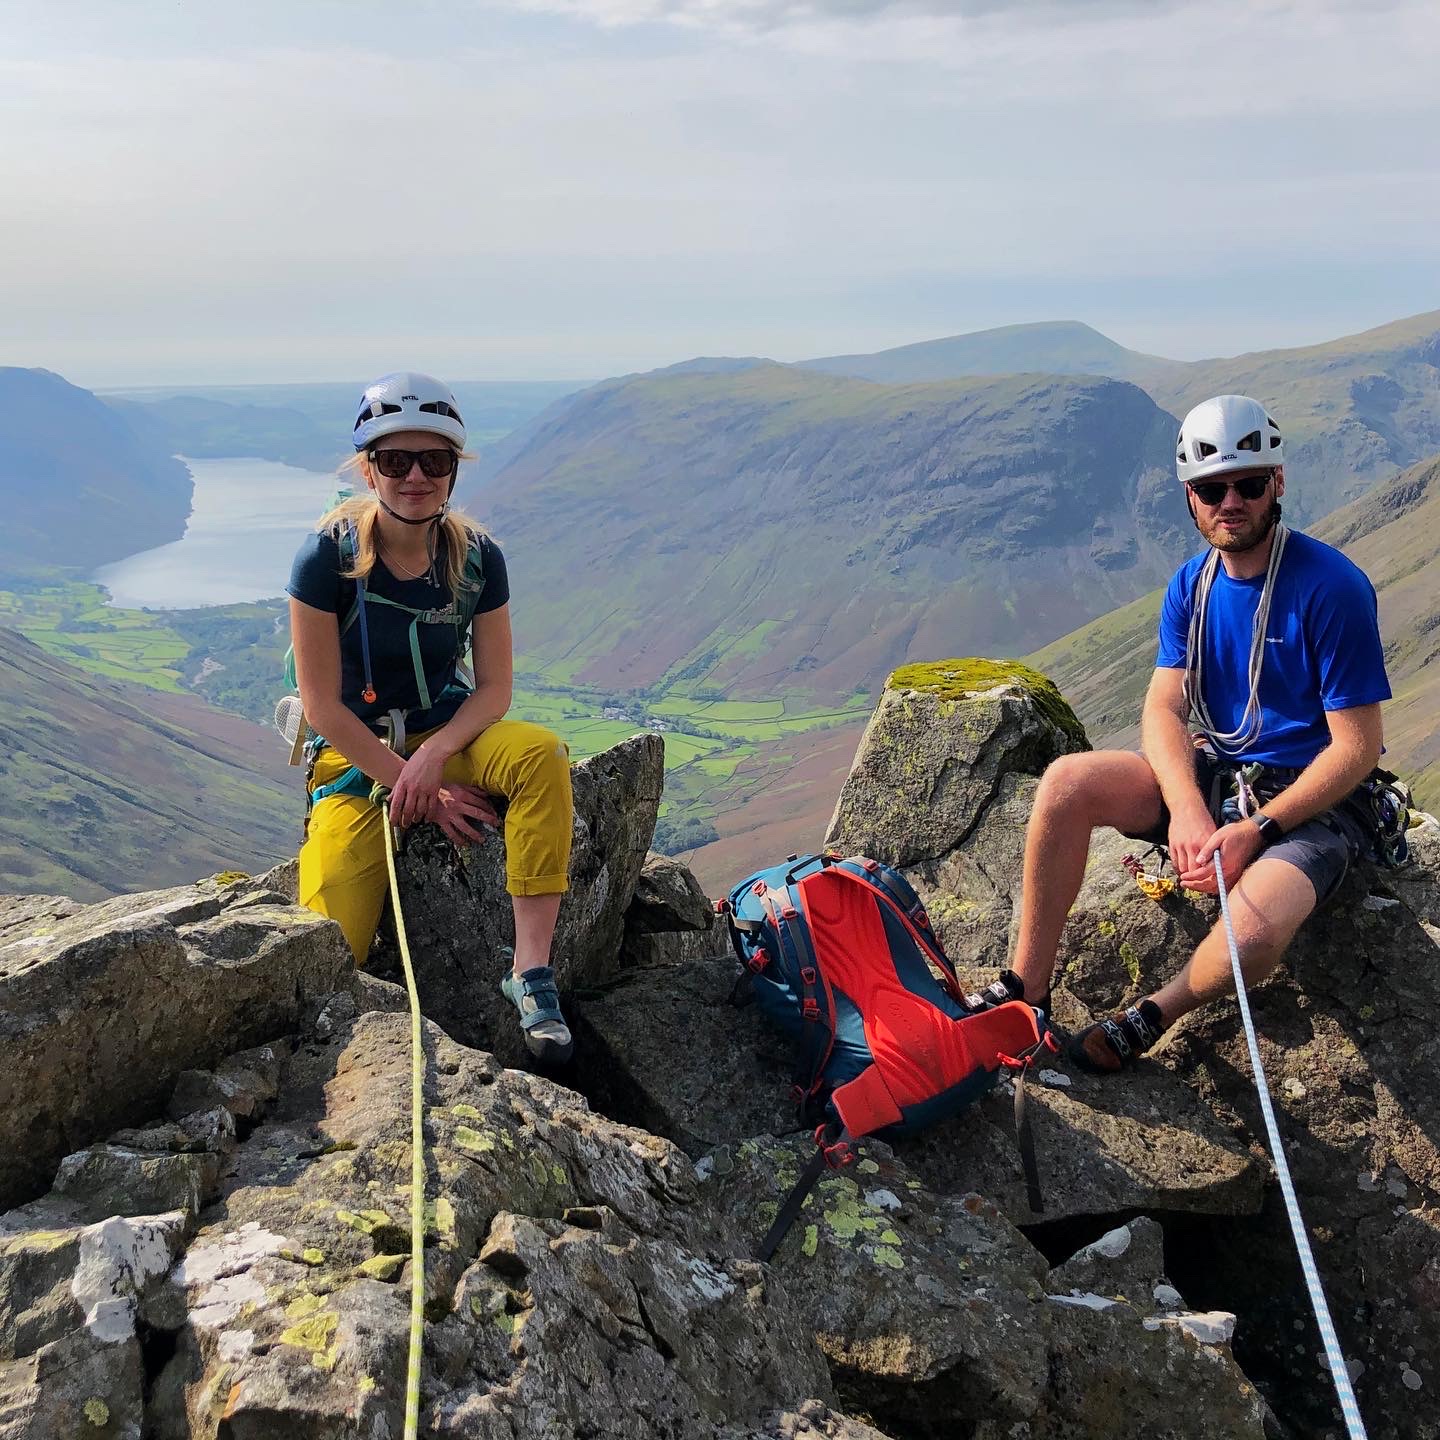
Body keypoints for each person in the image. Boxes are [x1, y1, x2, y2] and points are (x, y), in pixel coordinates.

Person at [972, 393, 1392, 1072]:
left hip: (1312, 806)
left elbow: (1357, 747)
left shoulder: (1332, 588)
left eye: (1248, 484)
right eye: (1211, 489)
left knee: (1257, 923)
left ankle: (1152, 1014)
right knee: (1067, 782)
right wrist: (1191, 812)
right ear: (1190, 498)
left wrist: (1258, 830)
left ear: (1277, 484)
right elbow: (1163, 711)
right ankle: (1028, 990)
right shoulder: (1191, 587)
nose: (1231, 502)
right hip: (1222, 772)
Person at [287, 371, 576, 1063]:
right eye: (395, 460)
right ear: (369, 470)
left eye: (434, 461)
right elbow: (322, 707)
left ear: (453, 470)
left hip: (447, 734)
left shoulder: (477, 560)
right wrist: (413, 784)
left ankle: (530, 972)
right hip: (356, 755)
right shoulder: (326, 558)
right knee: (329, 942)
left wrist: (434, 757)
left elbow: (495, 690)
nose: (415, 476)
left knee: (540, 754)